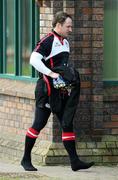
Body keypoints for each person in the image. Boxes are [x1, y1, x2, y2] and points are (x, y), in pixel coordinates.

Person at [21, 11, 94, 171]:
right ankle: (25, 159)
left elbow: (62, 68)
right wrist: (51, 74)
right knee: (38, 124)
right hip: (45, 90)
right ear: (59, 25)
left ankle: (74, 162)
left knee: (67, 124)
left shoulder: (65, 42)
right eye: (68, 26)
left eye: (71, 26)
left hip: (59, 92)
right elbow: (33, 59)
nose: (70, 29)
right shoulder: (48, 40)